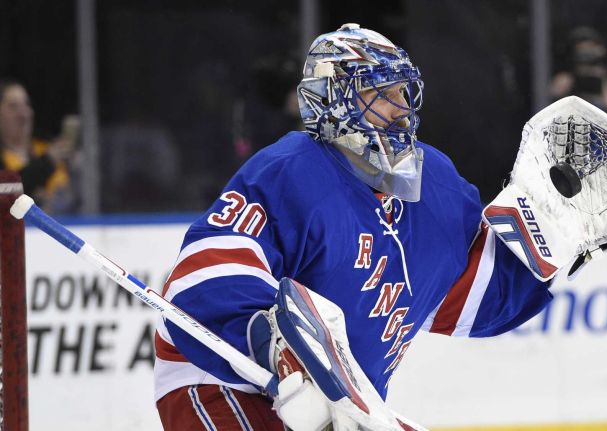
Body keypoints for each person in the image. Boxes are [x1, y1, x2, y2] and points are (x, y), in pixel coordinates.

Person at [153, 24, 562, 429]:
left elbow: (477, 297)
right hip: (225, 376)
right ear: (332, 101)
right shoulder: (292, 170)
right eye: (380, 93)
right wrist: (272, 341)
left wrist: (558, 240)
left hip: (340, 410)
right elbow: (205, 275)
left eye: (403, 91)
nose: (400, 108)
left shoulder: (436, 183)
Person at [0, 79, 77, 213]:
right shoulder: (49, 156)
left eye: (26, 105)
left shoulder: (46, 148)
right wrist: (47, 162)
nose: (23, 114)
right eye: (13, 106)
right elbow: (5, 190)